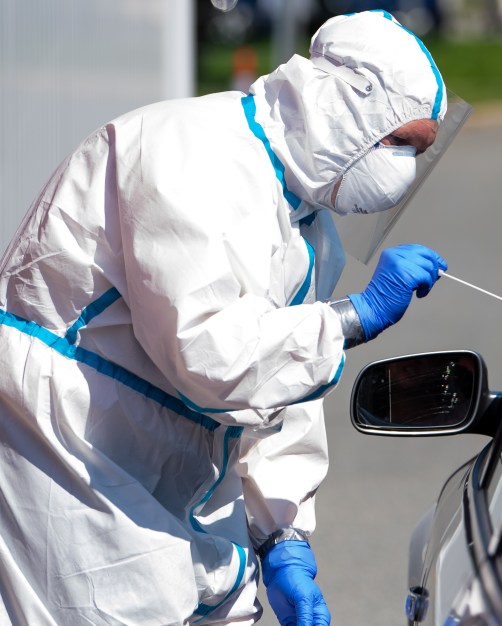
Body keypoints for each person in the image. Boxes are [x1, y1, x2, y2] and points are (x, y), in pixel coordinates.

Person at [0, 10, 466, 625]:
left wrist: (283, 533)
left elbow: (280, 390)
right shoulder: (193, 153)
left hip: (166, 453)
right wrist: (353, 317)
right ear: (344, 109)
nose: (405, 168)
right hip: (71, 437)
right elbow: (208, 353)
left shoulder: (309, 226)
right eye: (401, 143)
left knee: (222, 605)